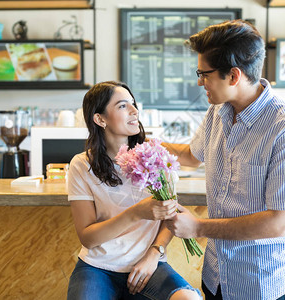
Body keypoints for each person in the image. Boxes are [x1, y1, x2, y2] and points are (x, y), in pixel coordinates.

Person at [163, 20, 285, 300]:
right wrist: (147, 145)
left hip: (262, 283)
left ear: (233, 76)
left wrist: (198, 227)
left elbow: (279, 222)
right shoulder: (216, 112)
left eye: (203, 74)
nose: (199, 82)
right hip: (216, 276)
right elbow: (191, 157)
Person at [67, 81, 201, 300]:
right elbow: (88, 238)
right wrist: (137, 212)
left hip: (149, 264)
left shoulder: (155, 155)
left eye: (133, 103)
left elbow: (171, 216)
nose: (134, 110)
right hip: (97, 267)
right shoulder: (82, 165)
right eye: (122, 106)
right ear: (100, 119)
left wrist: (153, 254)